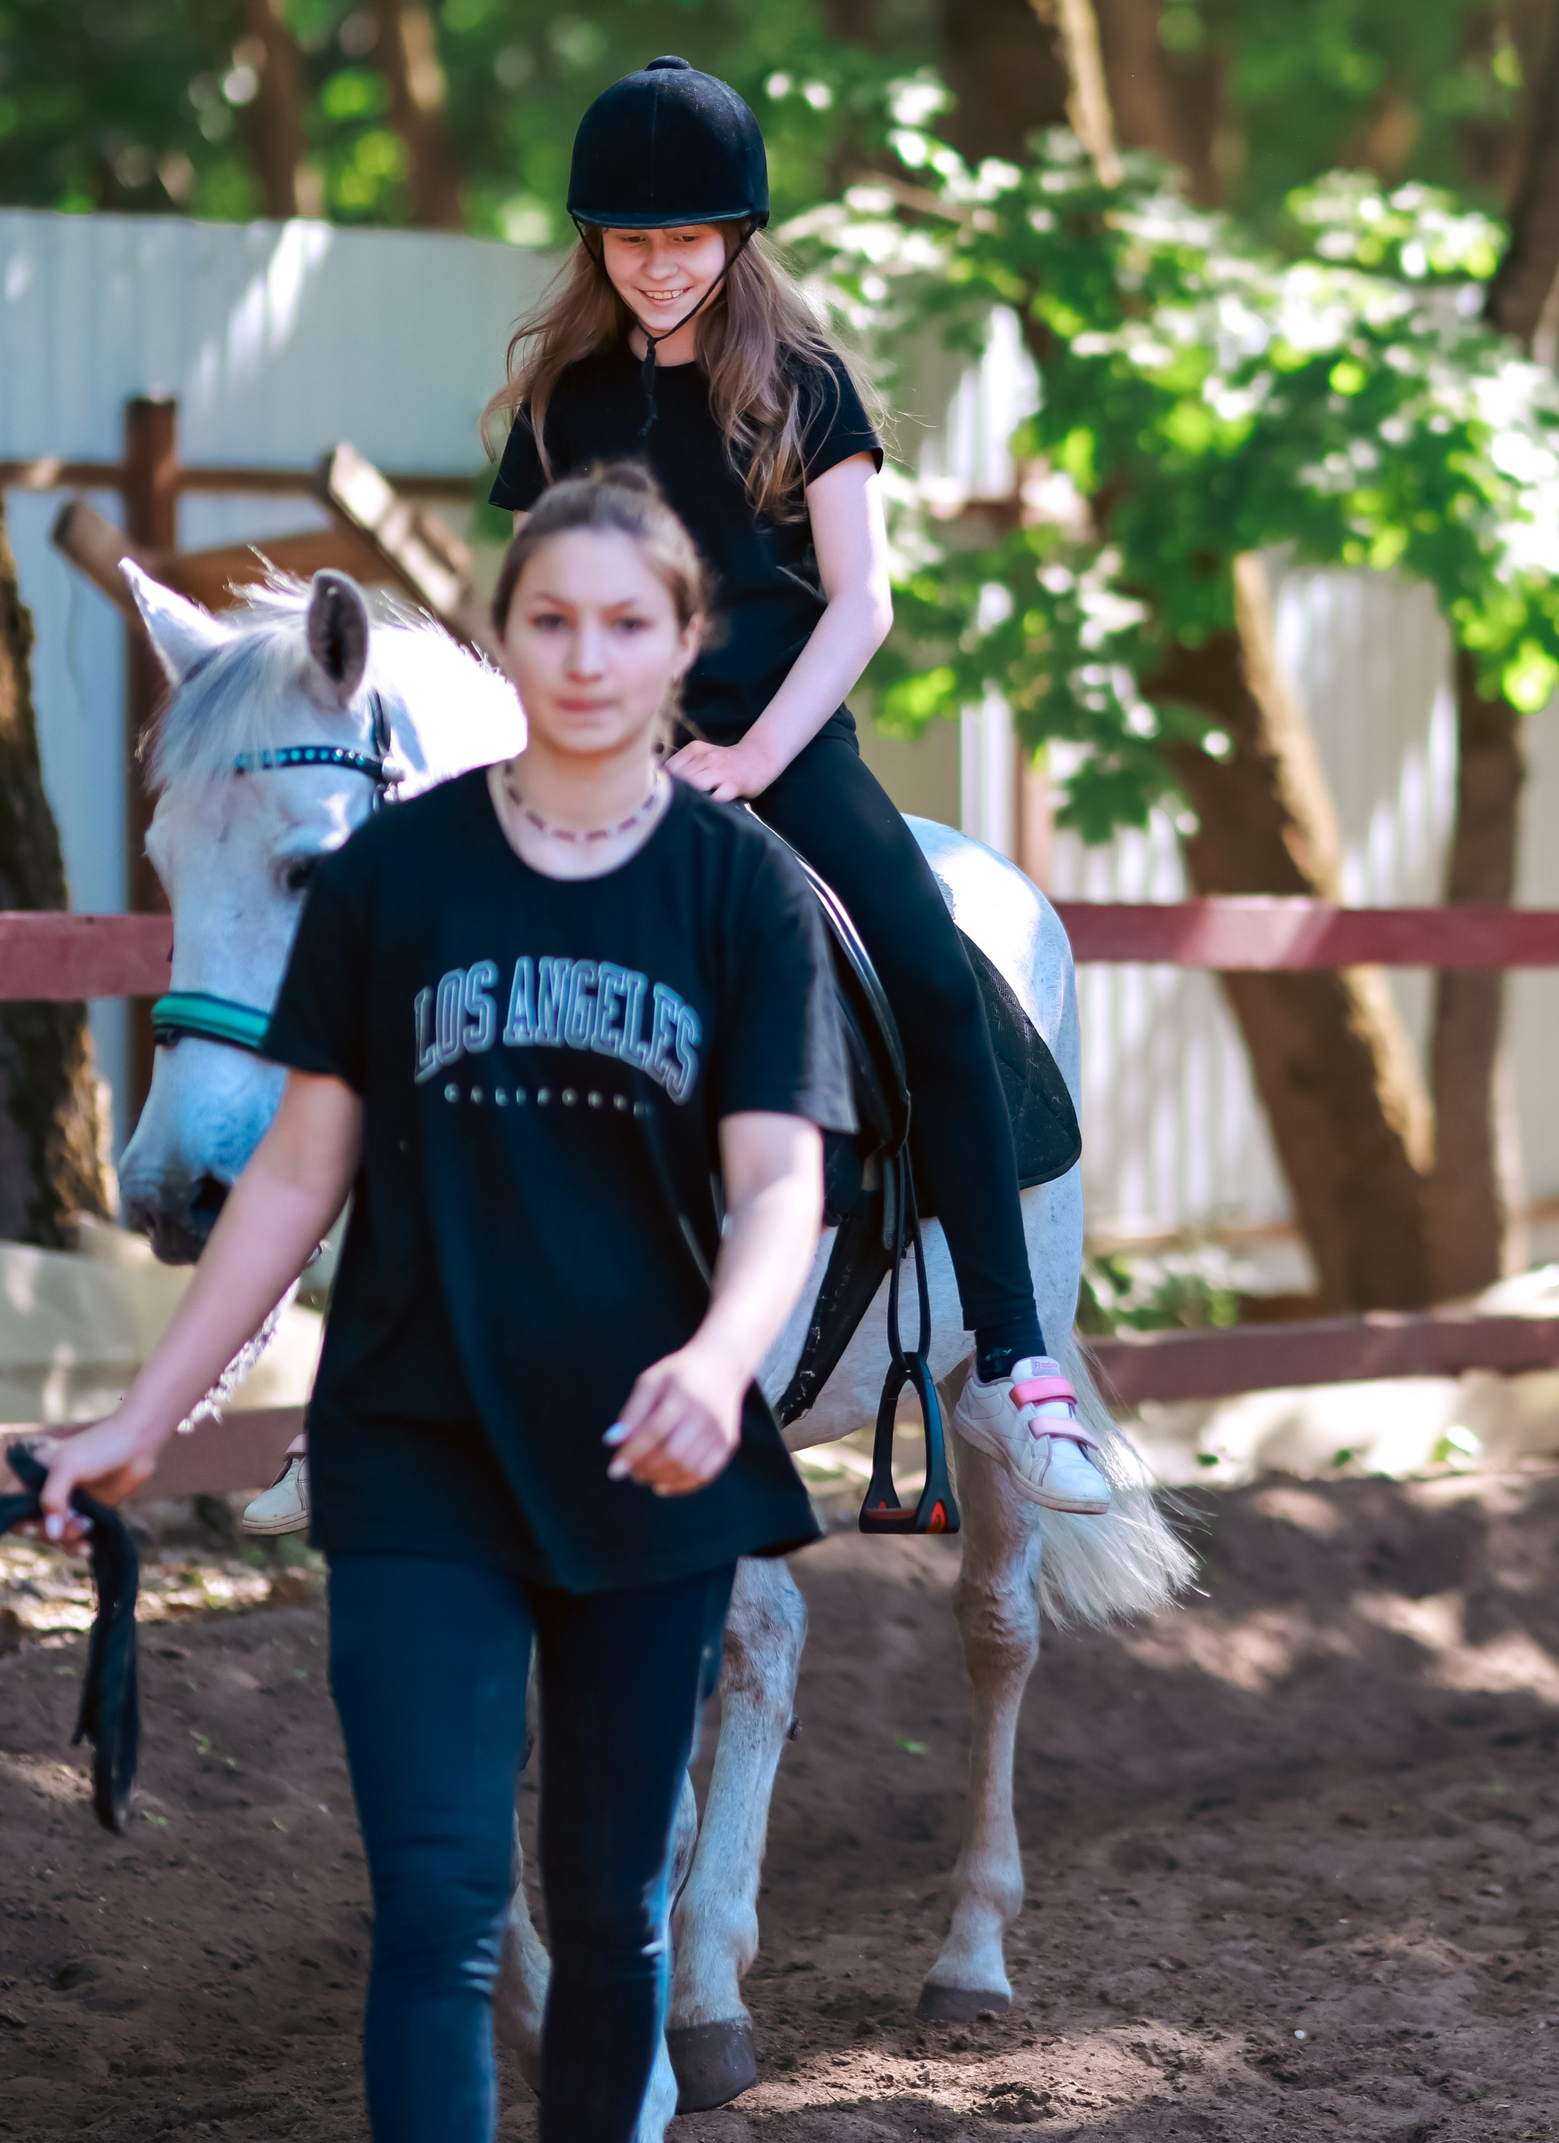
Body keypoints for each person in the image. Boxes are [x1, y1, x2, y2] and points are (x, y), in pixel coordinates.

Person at [38, 468, 849, 2142]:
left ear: (681, 644)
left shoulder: (740, 897)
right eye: (550, 619)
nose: (586, 656)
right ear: (502, 637)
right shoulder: (391, 884)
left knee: (616, 1924)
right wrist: (145, 1416)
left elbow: (780, 1186)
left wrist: (721, 1357)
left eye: (627, 624)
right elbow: (291, 1176)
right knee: (436, 1918)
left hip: (647, 1466)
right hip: (418, 1454)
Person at [484, 54, 1109, 1515]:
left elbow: (865, 602)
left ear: (737, 238)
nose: (658, 265)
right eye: (632, 240)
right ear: (597, 245)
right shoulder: (568, 401)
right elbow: (535, 603)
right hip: (612, 757)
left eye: (687, 238)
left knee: (936, 983)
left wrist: (758, 758)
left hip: (784, 743)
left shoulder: (806, 383)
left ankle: (1020, 1365)